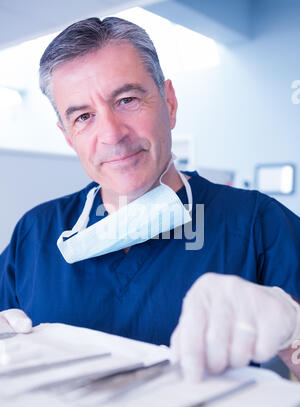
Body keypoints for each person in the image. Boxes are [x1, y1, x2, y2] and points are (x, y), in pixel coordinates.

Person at [0, 17, 299, 381]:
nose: (112, 134)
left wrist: (294, 332)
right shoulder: (35, 233)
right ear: (67, 136)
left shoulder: (259, 226)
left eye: (126, 100)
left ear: (169, 103)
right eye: (83, 116)